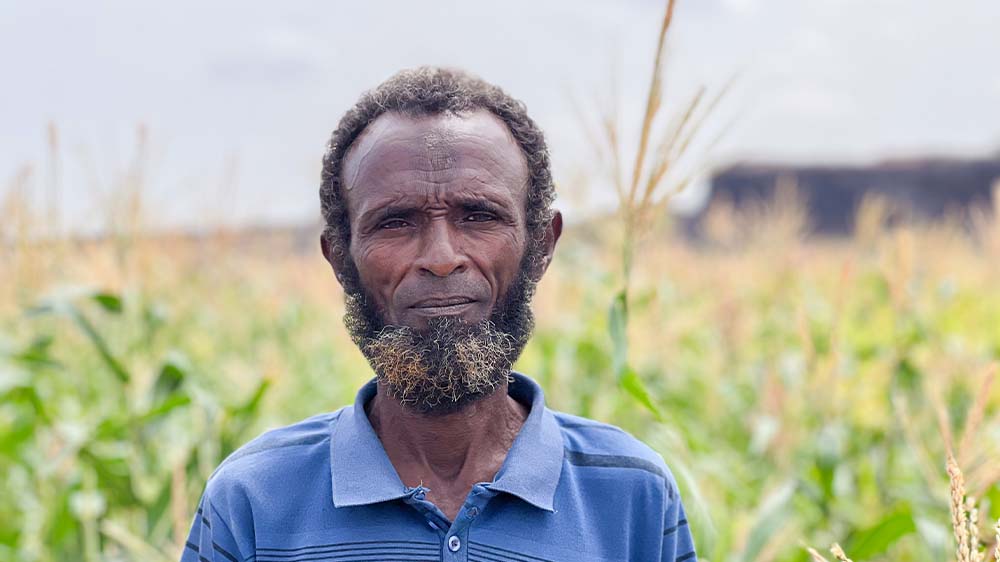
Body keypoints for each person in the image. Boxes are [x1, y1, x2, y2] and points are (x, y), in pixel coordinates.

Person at [181, 67, 697, 562]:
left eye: (478, 216)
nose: (441, 256)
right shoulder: (254, 501)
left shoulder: (633, 498)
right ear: (340, 257)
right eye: (396, 222)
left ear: (541, 246)